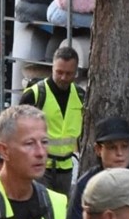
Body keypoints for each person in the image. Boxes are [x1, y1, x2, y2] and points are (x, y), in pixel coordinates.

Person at [20, 46, 84, 196]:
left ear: (76, 73)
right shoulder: (35, 94)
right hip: (40, 166)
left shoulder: (81, 96)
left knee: (61, 212)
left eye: (69, 74)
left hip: (67, 168)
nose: (63, 77)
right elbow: (17, 131)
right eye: (59, 72)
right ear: (52, 68)